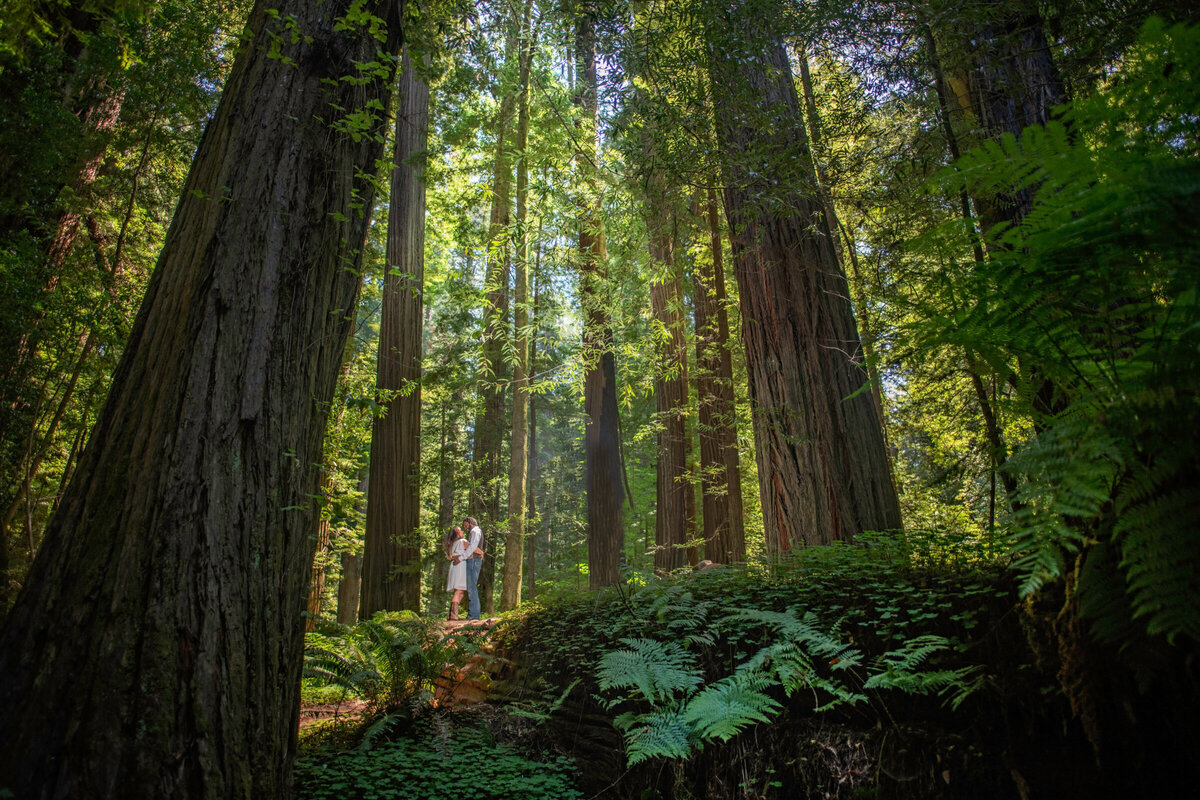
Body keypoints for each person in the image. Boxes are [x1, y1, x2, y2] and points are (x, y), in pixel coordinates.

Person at [461, 516, 485, 620]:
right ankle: (473, 614)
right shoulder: (473, 532)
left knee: (472, 587)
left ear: (471, 523)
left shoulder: (475, 531)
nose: (466, 528)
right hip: (472, 561)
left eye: (466, 526)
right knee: (471, 587)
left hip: (473, 561)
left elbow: (473, 547)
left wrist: (462, 557)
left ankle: (474, 615)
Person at [445, 526, 468, 620]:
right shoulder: (462, 541)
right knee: (459, 591)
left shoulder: (452, 544)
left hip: (454, 566)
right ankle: (454, 615)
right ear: (457, 533)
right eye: (460, 530)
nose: (462, 531)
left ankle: (451, 614)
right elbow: (472, 550)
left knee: (458, 591)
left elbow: (451, 556)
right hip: (460, 566)